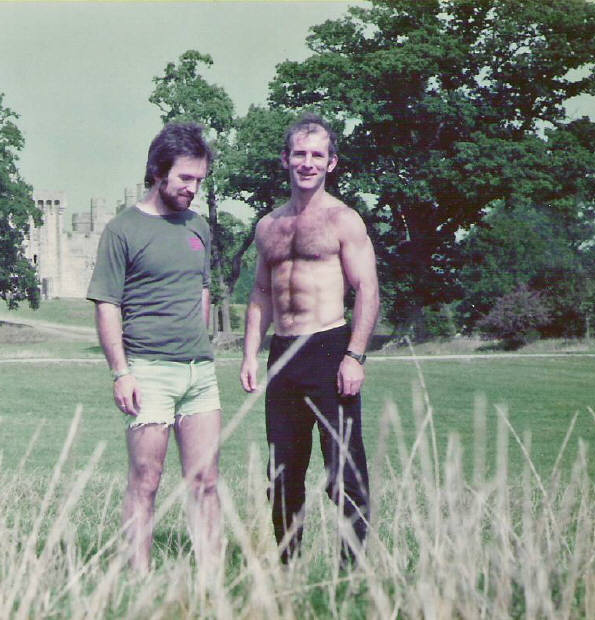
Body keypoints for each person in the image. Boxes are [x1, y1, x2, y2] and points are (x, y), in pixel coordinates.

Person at [240, 113, 379, 565]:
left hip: (329, 348)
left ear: (331, 163)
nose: (307, 162)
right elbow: (261, 293)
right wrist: (250, 354)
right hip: (283, 355)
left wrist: (355, 355)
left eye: (317, 155)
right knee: (283, 473)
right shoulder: (268, 226)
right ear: (285, 159)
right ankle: (289, 567)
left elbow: (368, 289)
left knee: (343, 471)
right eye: (299, 154)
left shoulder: (343, 220)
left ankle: (351, 570)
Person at [87, 122, 222, 574]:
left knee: (206, 481)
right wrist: (121, 372)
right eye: (185, 178)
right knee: (146, 480)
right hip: (147, 372)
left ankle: (211, 579)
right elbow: (107, 305)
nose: (193, 188)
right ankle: (138, 579)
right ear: (158, 171)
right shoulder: (122, 229)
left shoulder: (199, 226)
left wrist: (200, 341)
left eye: (199, 180)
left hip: (199, 374)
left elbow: (202, 290)